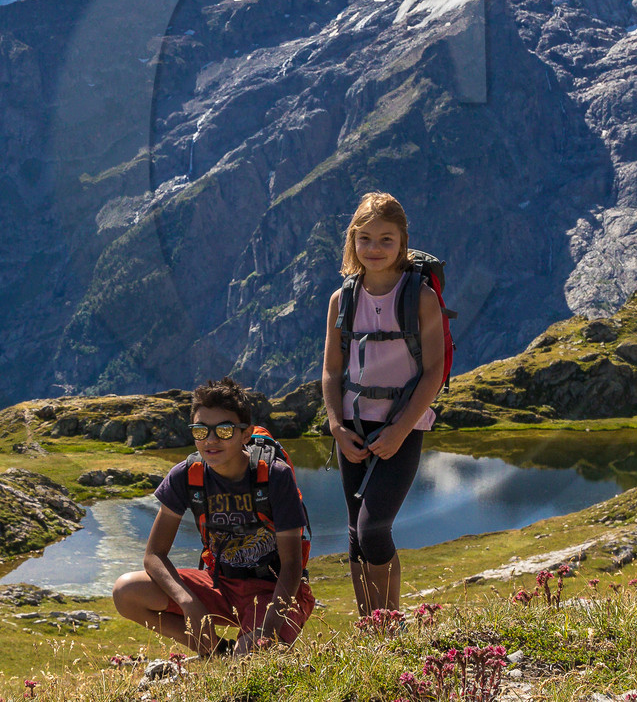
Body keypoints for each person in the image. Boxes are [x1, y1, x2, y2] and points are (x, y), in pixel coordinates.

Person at [111, 378, 314, 655]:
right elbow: (154, 555)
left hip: (274, 591)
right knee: (126, 591)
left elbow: (291, 567)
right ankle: (214, 653)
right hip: (220, 585)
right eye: (200, 430)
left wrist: (267, 631)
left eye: (225, 430)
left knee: (252, 656)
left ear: (246, 434)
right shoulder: (186, 475)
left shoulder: (274, 475)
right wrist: (188, 603)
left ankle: (245, 652)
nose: (211, 439)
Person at [322, 192, 444, 614]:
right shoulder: (342, 300)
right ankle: (369, 628)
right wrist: (337, 427)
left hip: (401, 426)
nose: (374, 249)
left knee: (374, 528)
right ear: (352, 241)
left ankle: (389, 625)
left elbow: (434, 372)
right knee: (355, 533)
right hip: (353, 429)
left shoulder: (420, 297)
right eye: (365, 238)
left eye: (386, 240)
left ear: (403, 243)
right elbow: (331, 373)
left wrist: (400, 430)